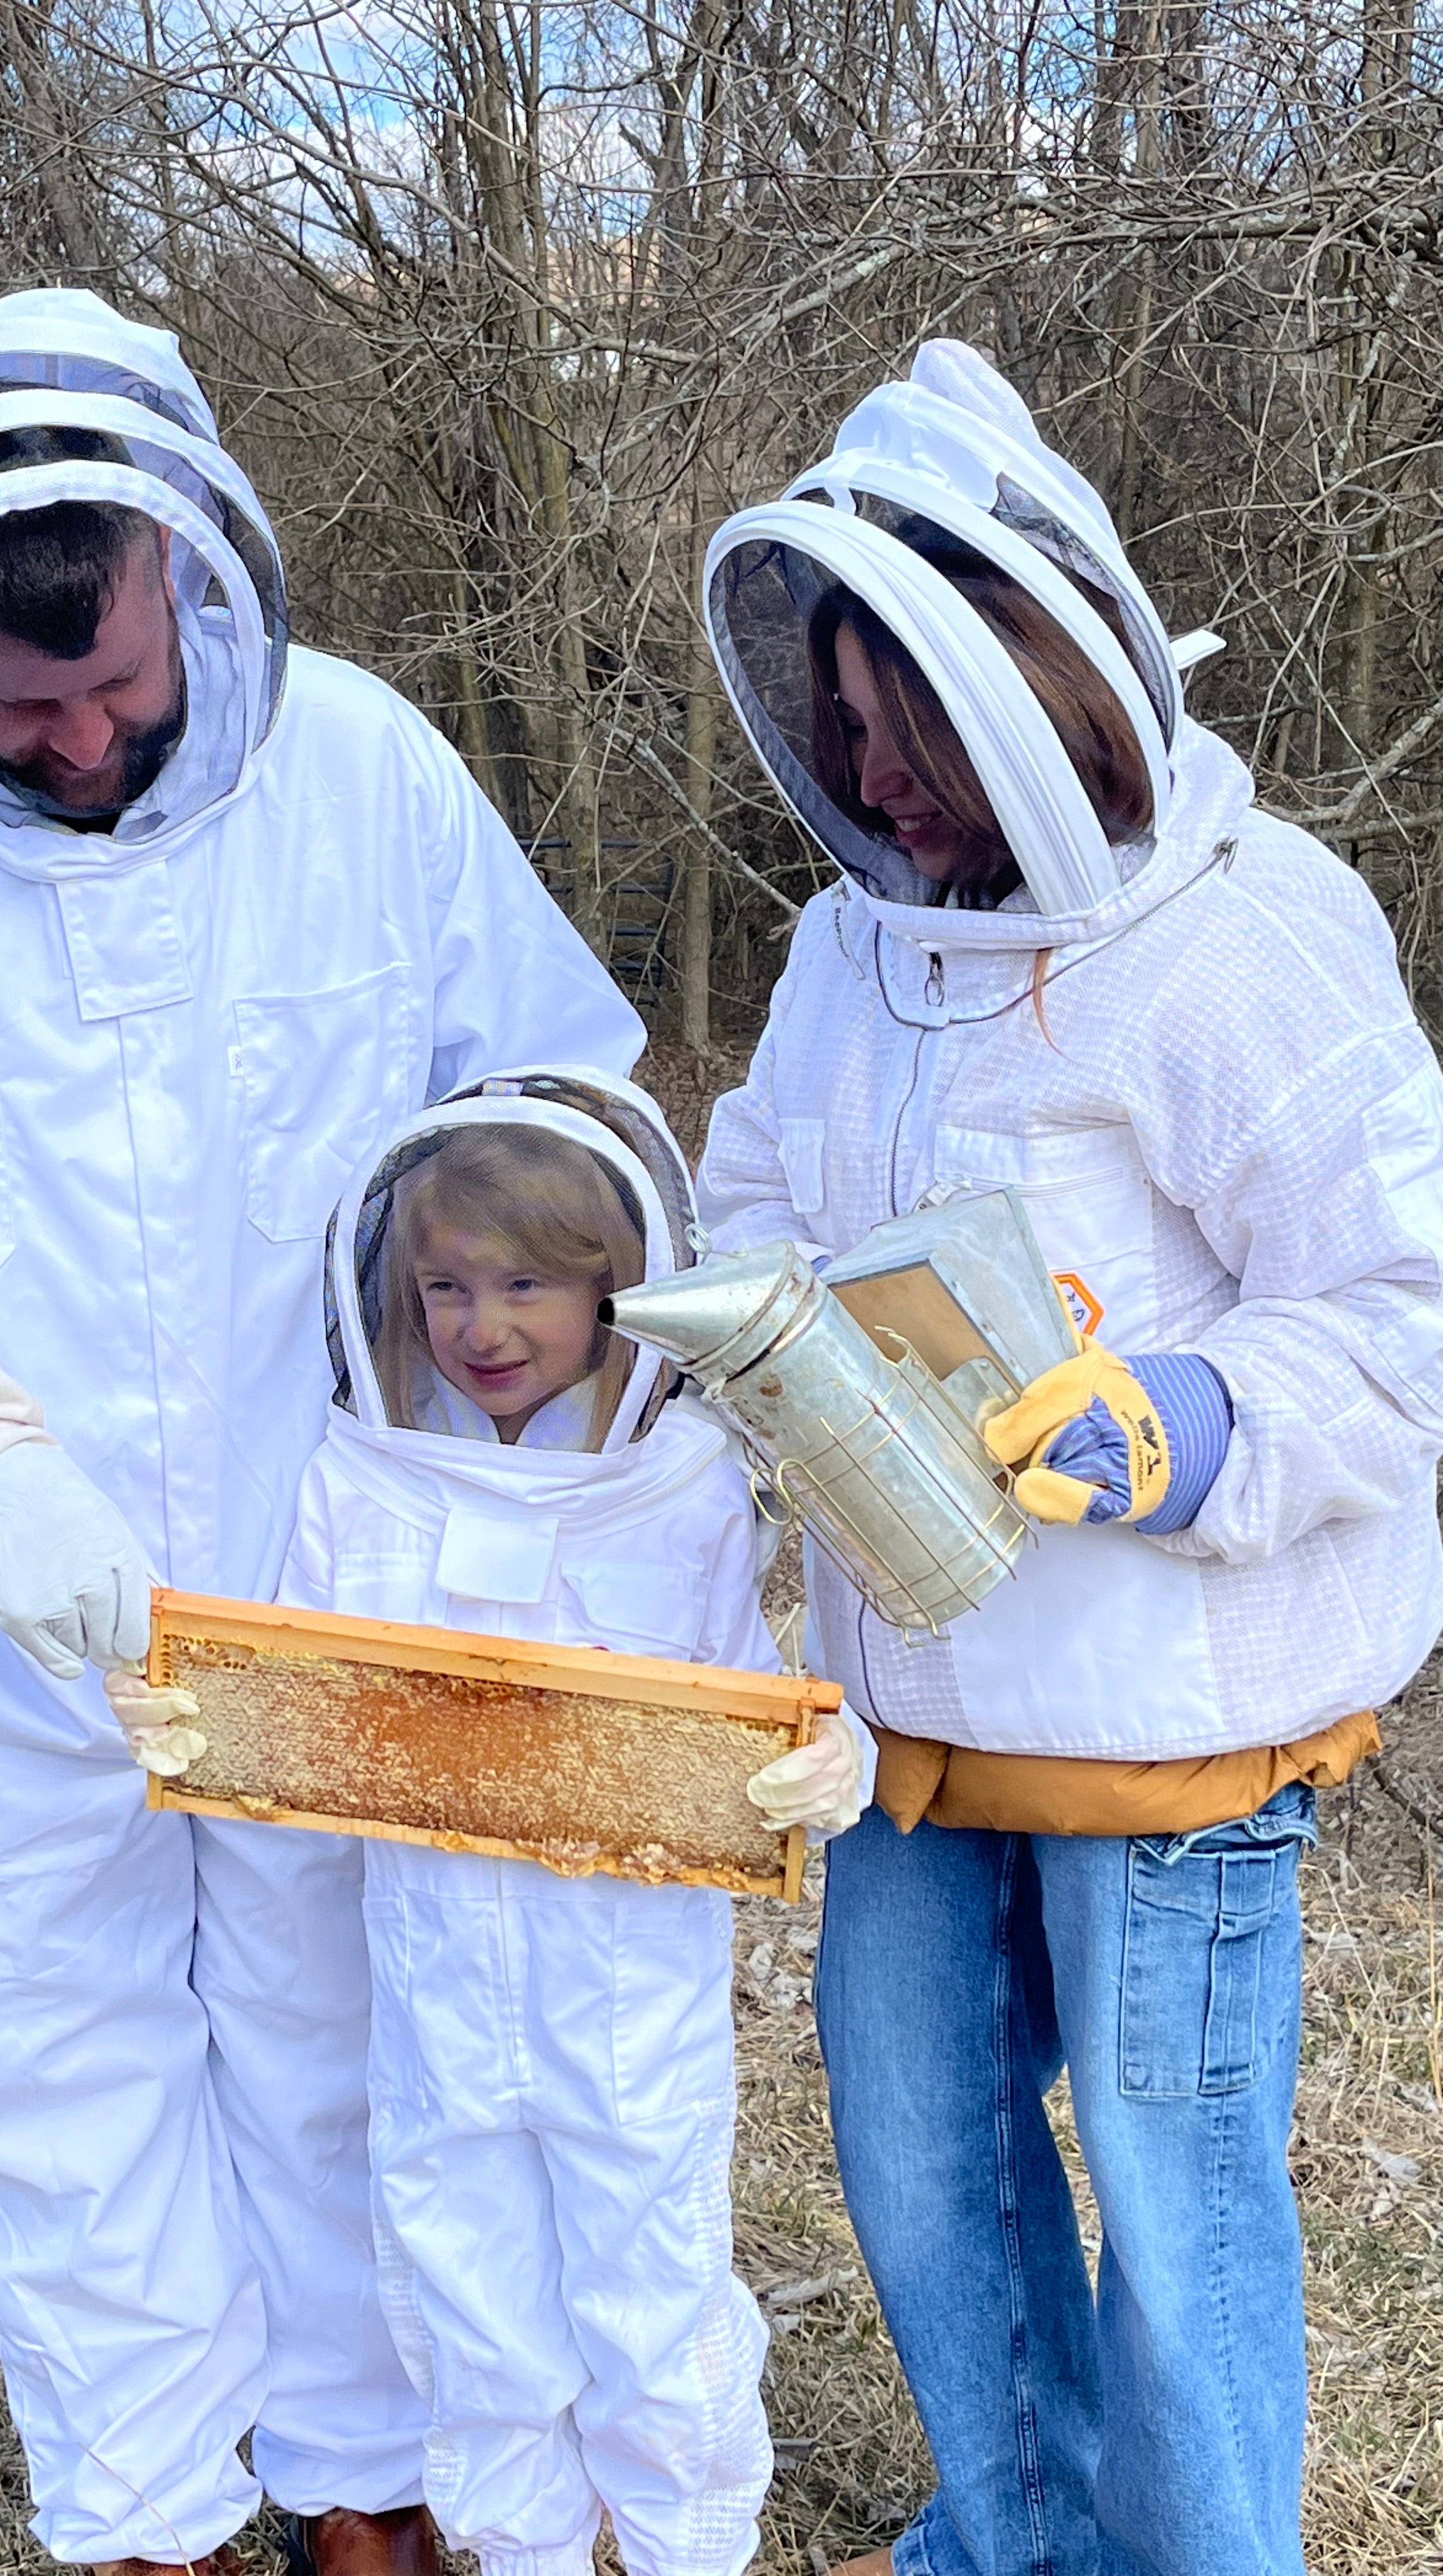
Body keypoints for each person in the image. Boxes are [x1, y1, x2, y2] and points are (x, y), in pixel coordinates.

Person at [0, 289, 645, 2576]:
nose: (88, 737)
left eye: (117, 680)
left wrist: (545, 1389)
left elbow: (547, 1099)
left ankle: (360, 2473)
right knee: (43, 2025)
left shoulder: (371, 771)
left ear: (191, 576)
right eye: (26, 706)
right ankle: (144, 2508)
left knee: (337, 2008)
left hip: (329, 1535)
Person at [694, 342, 1443, 2576]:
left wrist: (1182, 1420)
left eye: (917, 739)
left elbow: (1404, 1309)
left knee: (1174, 2176)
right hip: (909, 1707)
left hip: (1170, 1733)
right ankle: (1010, 2539)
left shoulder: (1241, 936)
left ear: (1047, 697)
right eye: (850, 738)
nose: (882, 785)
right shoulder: (851, 941)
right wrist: (734, 1319)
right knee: (923, 2158)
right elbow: (759, 1170)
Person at [233, 1069, 874, 2576]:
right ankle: (515, 2547)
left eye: (527, 1282)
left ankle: (683, 2547)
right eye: (446, 1286)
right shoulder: (362, 1475)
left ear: (620, 1288)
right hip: (434, 1978)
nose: (482, 1325)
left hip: (626, 1988)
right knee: (466, 2279)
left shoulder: (686, 1484)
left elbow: (757, 1692)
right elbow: (305, 1689)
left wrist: (814, 1766)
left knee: (646, 2281)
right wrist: (214, 1711)